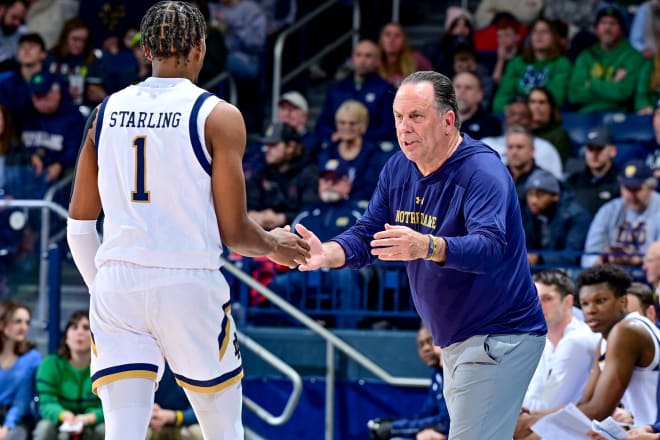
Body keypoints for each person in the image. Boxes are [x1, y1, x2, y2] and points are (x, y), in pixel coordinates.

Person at [66, 2, 310, 439]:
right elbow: (235, 232)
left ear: (146, 50)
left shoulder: (104, 112)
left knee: (123, 433)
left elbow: (80, 226)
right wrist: (275, 244)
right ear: (200, 48)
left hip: (118, 284)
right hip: (188, 283)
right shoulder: (218, 115)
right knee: (222, 429)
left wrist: (101, 286)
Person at [296, 70, 547, 439]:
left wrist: (427, 245)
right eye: (398, 117)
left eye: (416, 116)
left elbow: (492, 248)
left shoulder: (482, 171)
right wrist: (328, 253)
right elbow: (370, 233)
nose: (404, 127)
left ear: (448, 121)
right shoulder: (399, 166)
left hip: (500, 335)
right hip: (456, 340)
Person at [517, 264, 660, 436]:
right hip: (641, 429)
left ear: (623, 301)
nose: (591, 310)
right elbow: (585, 402)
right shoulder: (605, 338)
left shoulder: (627, 330)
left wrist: (531, 422)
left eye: (600, 301)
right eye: (585, 303)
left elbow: (599, 410)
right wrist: (534, 416)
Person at [520, 270, 597, 413]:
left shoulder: (577, 341)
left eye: (547, 299)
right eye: (534, 298)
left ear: (568, 301)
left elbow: (548, 406)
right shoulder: (543, 340)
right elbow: (533, 394)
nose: (538, 305)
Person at [366, 324, 450, 439]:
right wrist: (392, 423)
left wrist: (395, 428)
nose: (426, 348)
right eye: (421, 345)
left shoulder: (449, 373)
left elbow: (446, 421)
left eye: (430, 341)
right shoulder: (436, 375)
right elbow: (426, 413)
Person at [33, 311, 105, 440]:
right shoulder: (50, 364)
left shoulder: (104, 366)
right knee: (44, 428)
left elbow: (109, 406)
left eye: (86, 327)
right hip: (61, 420)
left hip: (93, 422)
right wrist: (63, 415)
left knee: (105, 430)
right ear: (66, 336)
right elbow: (46, 403)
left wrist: (90, 418)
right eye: (74, 327)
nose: (80, 332)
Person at [567, 4, 647, 113]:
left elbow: (623, 93)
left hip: (618, 115)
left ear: (621, 30)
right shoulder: (586, 56)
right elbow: (574, 95)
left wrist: (591, 83)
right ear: (596, 29)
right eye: (603, 23)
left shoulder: (633, 57)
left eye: (613, 23)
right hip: (585, 115)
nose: (607, 28)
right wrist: (611, 87)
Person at [581, 160, 660, 269]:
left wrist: (638, 260)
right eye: (627, 189)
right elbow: (587, 258)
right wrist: (604, 259)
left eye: (636, 189)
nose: (631, 195)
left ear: (652, 188)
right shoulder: (609, 210)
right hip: (613, 277)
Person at [492, 17, 571, 113]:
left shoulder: (562, 63)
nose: (539, 35)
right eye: (535, 31)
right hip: (516, 114)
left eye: (544, 32)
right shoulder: (517, 63)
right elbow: (501, 99)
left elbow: (556, 98)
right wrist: (509, 109)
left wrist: (527, 109)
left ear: (554, 37)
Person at [521, 169, 591, 268]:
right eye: (530, 194)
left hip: (567, 271)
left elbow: (572, 256)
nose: (533, 200)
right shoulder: (526, 213)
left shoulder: (576, 215)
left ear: (555, 196)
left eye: (540, 195)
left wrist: (539, 258)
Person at [0, 300, 41, 440]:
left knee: (12, 436)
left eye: (27, 322)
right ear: (2, 323)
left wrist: (6, 428)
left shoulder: (32, 358)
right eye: (18, 321)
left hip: (18, 419)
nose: (24, 327)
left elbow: (22, 401)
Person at [564, 125, 621, 218]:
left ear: (612, 151)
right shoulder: (573, 181)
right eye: (590, 148)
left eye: (599, 148)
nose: (594, 154)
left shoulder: (621, 181)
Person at [148, 363, 202, 440]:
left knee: (199, 432)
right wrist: (147, 410)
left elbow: (202, 408)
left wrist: (173, 416)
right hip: (151, 422)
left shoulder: (192, 365)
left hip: (183, 424)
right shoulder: (148, 362)